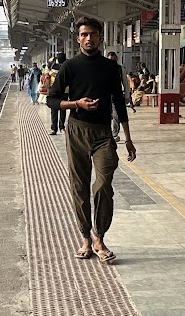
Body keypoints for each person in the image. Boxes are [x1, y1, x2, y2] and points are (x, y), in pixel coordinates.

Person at [48, 15, 136, 264]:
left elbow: (119, 103)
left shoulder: (111, 69)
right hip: (76, 130)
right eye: (84, 34)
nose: (89, 38)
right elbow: (52, 100)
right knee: (79, 187)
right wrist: (76, 103)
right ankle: (86, 238)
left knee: (103, 185)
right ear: (78, 40)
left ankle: (100, 236)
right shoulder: (69, 67)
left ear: (101, 38)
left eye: (93, 34)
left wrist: (128, 139)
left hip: (103, 134)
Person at [108, 51, 133, 142]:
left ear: (117, 60)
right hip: (106, 96)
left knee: (116, 116)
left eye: (113, 60)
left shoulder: (120, 69)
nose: (112, 62)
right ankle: (107, 134)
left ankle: (114, 134)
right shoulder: (103, 69)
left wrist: (127, 97)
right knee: (106, 115)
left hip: (117, 96)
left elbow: (125, 84)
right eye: (110, 60)